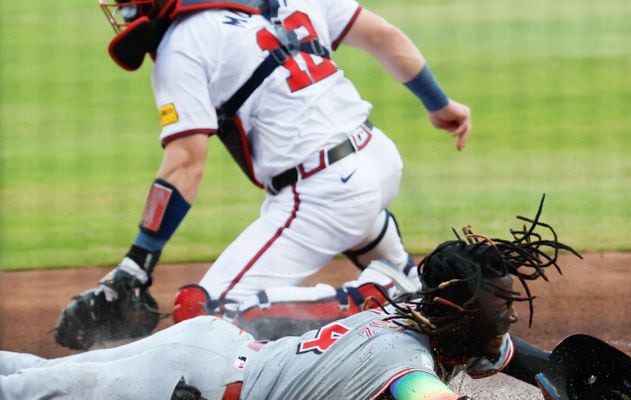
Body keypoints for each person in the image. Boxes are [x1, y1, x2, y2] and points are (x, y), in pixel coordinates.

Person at [4, 204, 631, 400]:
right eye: (499, 305)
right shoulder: (406, 360)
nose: (510, 316)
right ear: (460, 308)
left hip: (217, 360)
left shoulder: (454, 333)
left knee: (32, 380)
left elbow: (552, 369)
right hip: (177, 391)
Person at [54, 0, 472, 350]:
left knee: (206, 317)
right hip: (377, 158)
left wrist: (136, 264)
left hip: (323, 193)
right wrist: (440, 105)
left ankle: (372, 298)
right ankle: (407, 279)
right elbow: (386, 37)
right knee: (373, 239)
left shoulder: (184, 41)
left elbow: (186, 162)